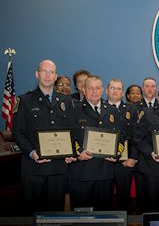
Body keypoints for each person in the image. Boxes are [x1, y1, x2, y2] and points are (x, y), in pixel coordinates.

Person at [12, 59, 76, 214]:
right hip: (34, 169)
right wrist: (32, 152)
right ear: (37, 74)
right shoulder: (24, 100)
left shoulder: (66, 101)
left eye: (51, 72)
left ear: (55, 77)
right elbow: (17, 133)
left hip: (59, 169)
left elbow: (73, 131)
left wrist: (71, 151)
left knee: (55, 215)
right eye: (44, 71)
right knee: (34, 213)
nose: (48, 75)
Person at [69, 75, 122, 210]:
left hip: (105, 173)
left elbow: (121, 137)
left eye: (97, 88)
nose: (94, 91)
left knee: (105, 217)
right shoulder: (74, 111)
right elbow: (69, 137)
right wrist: (78, 152)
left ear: (103, 90)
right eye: (90, 88)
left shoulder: (113, 111)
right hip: (82, 173)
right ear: (84, 90)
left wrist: (116, 153)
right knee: (81, 218)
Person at [106, 79, 139, 214]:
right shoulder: (100, 108)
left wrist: (133, 158)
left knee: (124, 199)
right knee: (105, 199)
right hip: (104, 161)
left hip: (125, 162)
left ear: (122, 92)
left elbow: (138, 136)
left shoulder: (131, 109)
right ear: (107, 90)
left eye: (118, 89)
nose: (115, 91)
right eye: (112, 88)